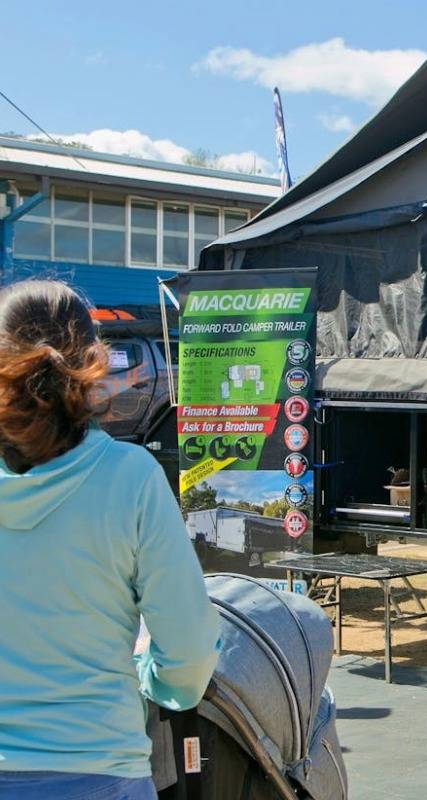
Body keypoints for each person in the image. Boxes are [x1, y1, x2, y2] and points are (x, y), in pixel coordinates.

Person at [0, 281, 220, 799]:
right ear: (95, 363)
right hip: (102, 768)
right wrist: (152, 679)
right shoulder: (130, 477)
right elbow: (188, 655)